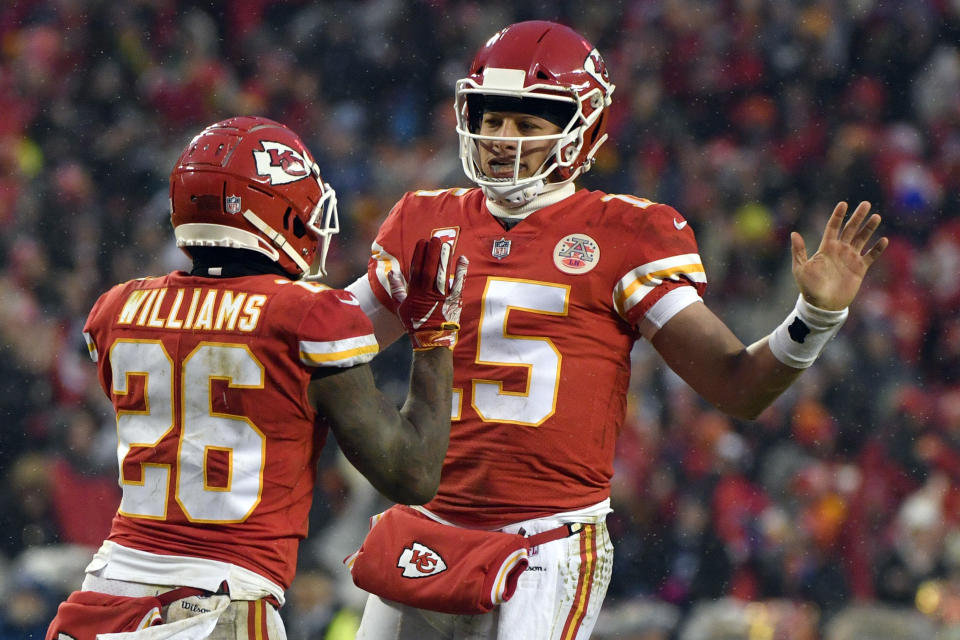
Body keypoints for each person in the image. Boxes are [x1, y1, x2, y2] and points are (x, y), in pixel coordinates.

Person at [345, 20, 888, 640]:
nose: (502, 139)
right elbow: (326, 345)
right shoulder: (424, 218)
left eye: (527, 123)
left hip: (545, 542)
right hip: (426, 525)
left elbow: (738, 387)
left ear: (583, 127)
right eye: (492, 119)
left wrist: (814, 317)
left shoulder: (623, 232)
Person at [45, 115, 467, 640]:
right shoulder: (306, 315)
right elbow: (412, 475)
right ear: (281, 214)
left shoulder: (117, 307)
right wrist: (434, 340)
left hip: (103, 593)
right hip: (217, 602)